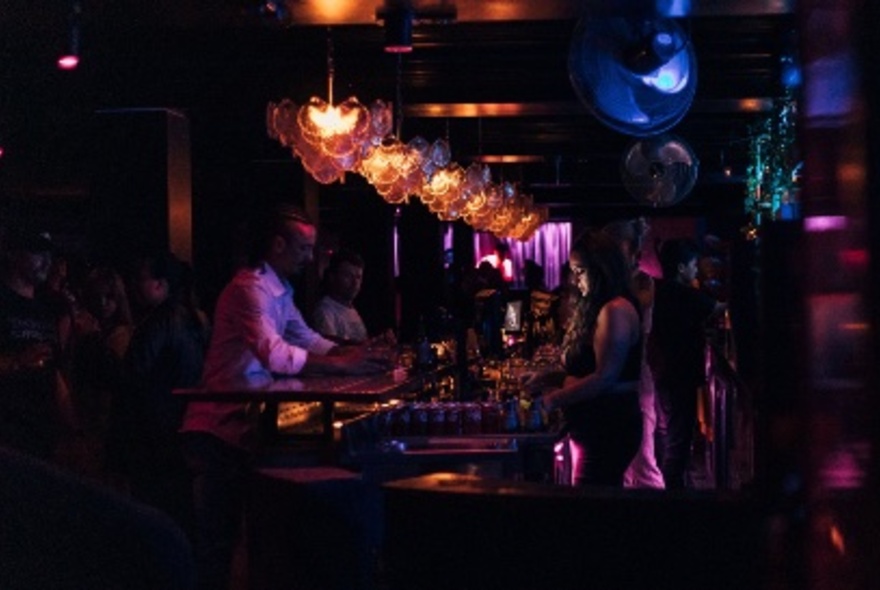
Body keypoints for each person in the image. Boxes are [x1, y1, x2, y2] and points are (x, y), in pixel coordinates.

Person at [180, 203, 386, 590]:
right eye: (305, 249)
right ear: (278, 245)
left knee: (248, 534)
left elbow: (306, 339)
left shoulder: (280, 290)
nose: (311, 258)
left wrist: (357, 353)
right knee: (217, 541)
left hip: (247, 423)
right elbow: (274, 353)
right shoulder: (248, 289)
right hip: (215, 427)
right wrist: (344, 366)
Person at [525, 229, 643, 487]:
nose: (574, 279)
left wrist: (550, 401)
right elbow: (586, 368)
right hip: (598, 424)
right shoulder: (600, 307)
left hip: (610, 426)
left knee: (590, 503)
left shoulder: (616, 310)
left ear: (601, 269)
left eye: (580, 271)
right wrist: (547, 377)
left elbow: (605, 377)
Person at [117, 251, 210, 536]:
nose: (134, 284)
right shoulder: (198, 319)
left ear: (160, 284)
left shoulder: (159, 321)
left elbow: (134, 373)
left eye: (141, 278)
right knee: (180, 507)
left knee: (152, 508)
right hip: (186, 423)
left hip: (154, 431)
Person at [648, 237, 726, 490]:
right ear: (682, 268)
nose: (696, 270)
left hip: (661, 373)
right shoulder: (685, 294)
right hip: (680, 375)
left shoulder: (658, 291)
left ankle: (669, 487)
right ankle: (674, 499)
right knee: (678, 441)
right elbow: (720, 309)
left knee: (668, 434)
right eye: (693, 265)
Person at [0, 227, 75, 461]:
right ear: (12, 254)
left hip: (41, 437)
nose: (46, 262)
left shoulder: (47, 309)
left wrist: (72, 427)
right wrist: (16, 362)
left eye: (49, 255)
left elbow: (55, 373)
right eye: (37, 253)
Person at [603, 218, 665, 490]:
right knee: (623, 466)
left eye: (611, 250)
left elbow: (634, 314)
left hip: (637, 377)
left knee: (643, 463)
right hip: (618, 379)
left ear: (629, 249)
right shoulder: (612, 282)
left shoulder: (641, 281)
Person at [311, 247, 370, 344]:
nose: (355, 283)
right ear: (332, 277)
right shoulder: (325, 310)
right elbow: (330, 349)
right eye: (348, 276)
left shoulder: (351, 309)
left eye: (358, 277)